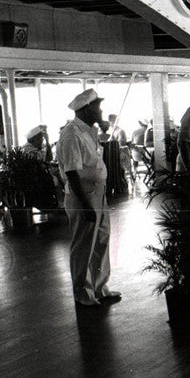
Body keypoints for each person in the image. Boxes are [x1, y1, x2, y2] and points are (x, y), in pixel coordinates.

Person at [55, 89, 121, 307]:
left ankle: (100, 287)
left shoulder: (88, 131)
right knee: (84, 243)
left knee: (101, 239)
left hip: (97, 193)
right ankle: (83, 292)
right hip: (82, 195)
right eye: (97, 107)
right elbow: (72, 172)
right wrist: (85, 205)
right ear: (86, 109)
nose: (101, 110)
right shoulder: (70, 134)